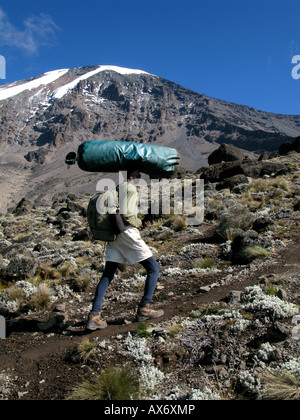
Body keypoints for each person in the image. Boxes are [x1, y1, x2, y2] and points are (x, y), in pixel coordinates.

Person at [87, 169, 164, 330]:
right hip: (126, 233)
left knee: (108, 274)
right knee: (153, 268)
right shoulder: (129, 188)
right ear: (134, 172)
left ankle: (94, 315)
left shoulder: (118, 187)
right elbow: (128, 215)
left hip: (114, 235)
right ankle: (144, 308)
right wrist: (138, 222)